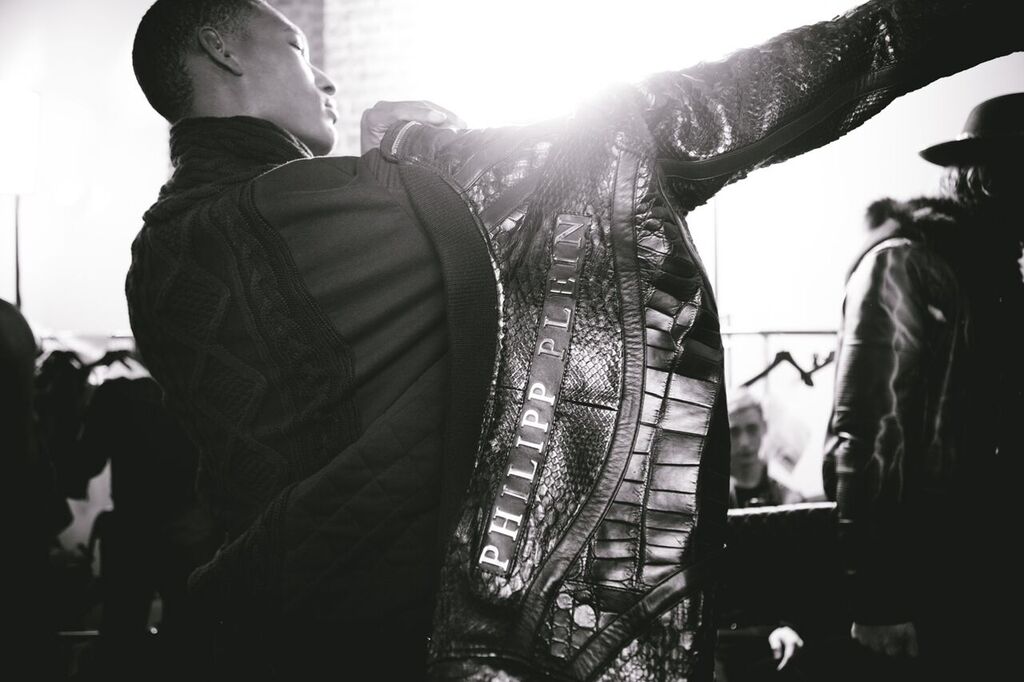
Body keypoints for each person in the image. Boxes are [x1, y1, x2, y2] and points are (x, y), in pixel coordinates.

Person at [125, 0, 1020, 679]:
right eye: (296, 47)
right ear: (221, 49)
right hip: (411, 639)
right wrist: (430, 149)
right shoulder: (342, 203)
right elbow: (680, 119)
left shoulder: (160, 253)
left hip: (255, 635)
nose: (322, 78)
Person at [823, 93, 1024, 680]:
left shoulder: (995, 278)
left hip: (986, 572)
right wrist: (877, 598)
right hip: (925, 577)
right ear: (993, 177)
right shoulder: (906, 265)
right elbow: (868, 436)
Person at [727, 391, 804, 509]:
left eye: (752, 429)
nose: (744, 442)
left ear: (764, 427)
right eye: (734, 432)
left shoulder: (790, 501)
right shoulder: (709, 499)